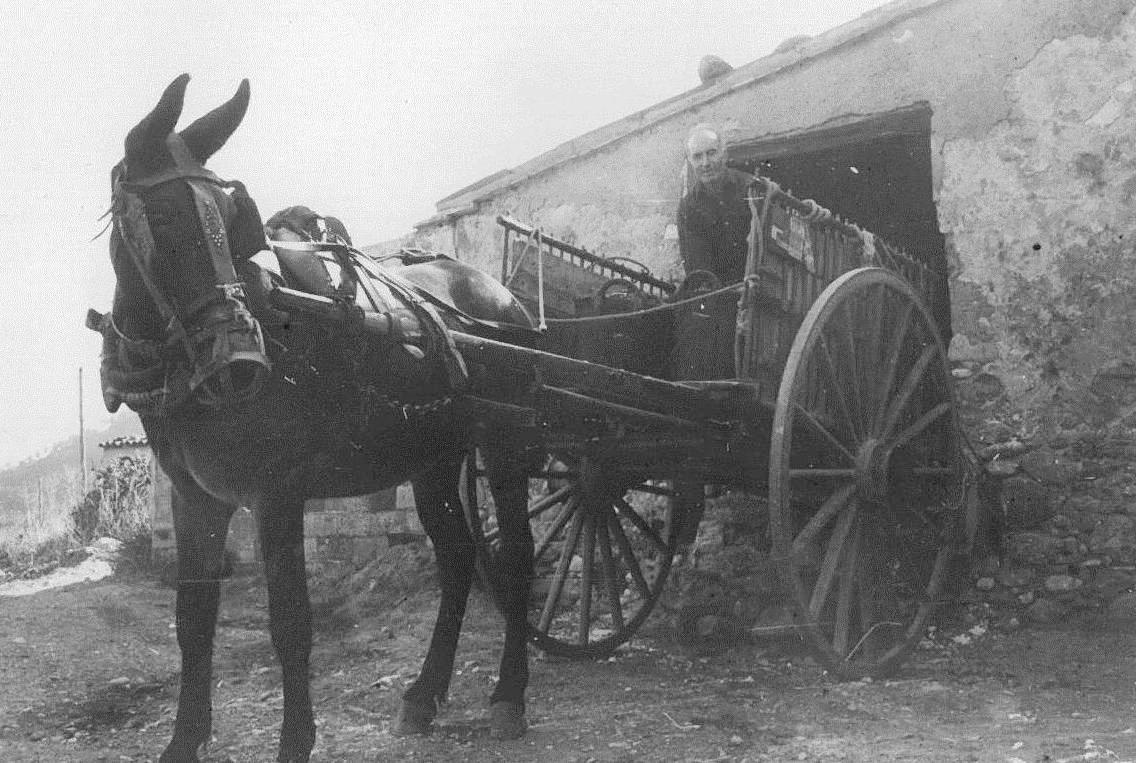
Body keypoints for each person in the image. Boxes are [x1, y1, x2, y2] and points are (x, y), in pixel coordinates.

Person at [676, 124, 753, 285]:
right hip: (719, 298)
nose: (705, 163)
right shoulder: (688, 207)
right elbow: (696, 269)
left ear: (724, 155)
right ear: (690, 161)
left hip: (760, 292)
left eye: (711, 153)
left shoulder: (751, 187)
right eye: (697, 156)